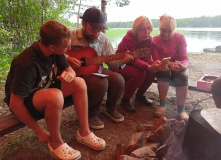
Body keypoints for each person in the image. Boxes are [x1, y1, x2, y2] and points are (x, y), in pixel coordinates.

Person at [4, 20, 106, 160]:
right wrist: (39, 131)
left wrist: (70, 74)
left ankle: (84, 132)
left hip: (45, 89)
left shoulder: (54, 50)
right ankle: (56, 143)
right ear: (53, 47)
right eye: (66, 46)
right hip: (24, 102)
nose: (69, 48)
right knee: (56, 95)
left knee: (79, 83)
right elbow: (15, 104)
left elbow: (69, 69)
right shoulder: (26, 63)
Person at [66, 8, 133, 129]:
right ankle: (92, 114)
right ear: (83, 24)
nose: (96, 34)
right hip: (77, 73)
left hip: (98, 69)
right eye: (92, 29)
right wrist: (67, 58)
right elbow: (55, 54)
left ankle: (111, 108)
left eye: (99, 30)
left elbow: (112, 63)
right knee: (101, 83)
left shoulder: (104, 39)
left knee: (118, 79)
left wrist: (123, 61)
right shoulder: (70, 36)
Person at [110, 16, 168, 113]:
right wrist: (148, 66)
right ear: (136, 29)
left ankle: (140, 95)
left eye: (149, 28)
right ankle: (125, 100)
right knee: (140, 73)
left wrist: (154, 64)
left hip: (135, 64)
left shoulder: (149, 40)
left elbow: (146, 58)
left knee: (152, 71)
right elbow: (134, 60)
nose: (147, 32)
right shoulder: (128, 39)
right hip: (121, 65)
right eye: (143, 29)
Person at [153, 14, 189, 121]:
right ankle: (162, 104)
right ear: (159, 28)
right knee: (164, 71)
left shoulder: (180, 38)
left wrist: (183, 66)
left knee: (182, 75)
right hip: (164, 66)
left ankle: (181, 109)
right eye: (163, 30)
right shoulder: (154, 40)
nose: (166, 34)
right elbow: (157, 59)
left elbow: (185, 58)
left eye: (169, 31)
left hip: (177, 67)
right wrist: (170, 64)